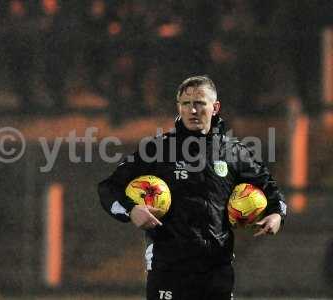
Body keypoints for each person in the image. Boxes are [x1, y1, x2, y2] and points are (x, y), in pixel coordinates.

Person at [98, 75, 286, 299]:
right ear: (179, 108)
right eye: (186, 104)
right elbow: (109, 188)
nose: (192, 110)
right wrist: (131, 209)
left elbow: (270, 189)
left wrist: (276, 214)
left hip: (217, 269)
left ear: (215, 107)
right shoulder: (158, 149)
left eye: (199, 103)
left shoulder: (234, 152)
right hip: (169, 269)